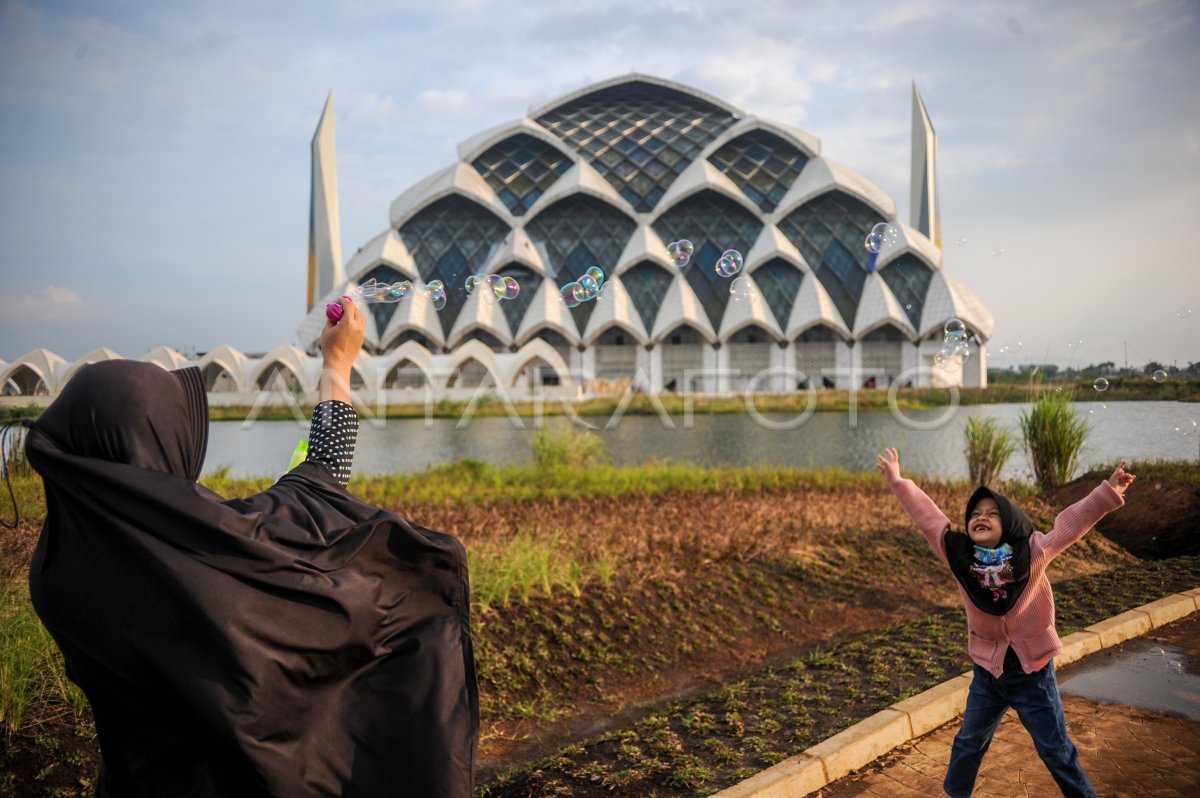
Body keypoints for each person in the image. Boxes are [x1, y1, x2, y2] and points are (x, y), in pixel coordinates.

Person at [25, 297, 478, 798]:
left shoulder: (55, 568)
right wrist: (337, 364)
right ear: (150, 444)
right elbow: (321, 479)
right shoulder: (211, 552)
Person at [875, 447, 1134, 798]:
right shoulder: (960, 559)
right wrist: (898, 480)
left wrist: (1109, 491)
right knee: (969, 742)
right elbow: (929, 518)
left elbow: (1071, 523)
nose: (981, 517)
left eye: (992, 513)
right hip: (988, 674)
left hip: (1033, 675)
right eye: (975, 514)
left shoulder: (1033, 552)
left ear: (1009, 522)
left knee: (1056, 750)